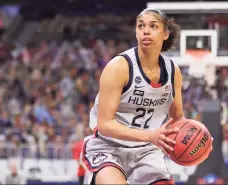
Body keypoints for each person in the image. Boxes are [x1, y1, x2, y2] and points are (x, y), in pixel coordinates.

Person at [80, 8, 213, 185]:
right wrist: (149, 136)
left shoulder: (173, 72)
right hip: (108, 147)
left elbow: (178, 120)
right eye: (141, 26)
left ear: (165, 34)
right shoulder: (119, 67)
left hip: (146, 152)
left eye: (153, 26)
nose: (146, 30)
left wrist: (200, 137)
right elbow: (104, 125)